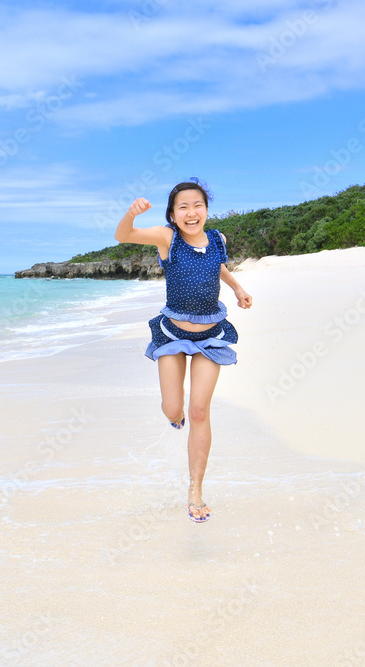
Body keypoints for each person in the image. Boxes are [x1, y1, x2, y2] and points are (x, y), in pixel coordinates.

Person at [113, 179, 252, 523]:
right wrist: (130, 215)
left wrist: (237, 287)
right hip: (172, 332)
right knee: (174, 409)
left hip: (211, 334)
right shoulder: (167, 237)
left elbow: (218, 267)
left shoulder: (217, 239)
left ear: (206, 209)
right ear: (173, 215)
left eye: (198, 205)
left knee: (200, 411)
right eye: (183, 207)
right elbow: (123, 236)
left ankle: (196, 492)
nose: (192, 212)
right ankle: (176, 418)